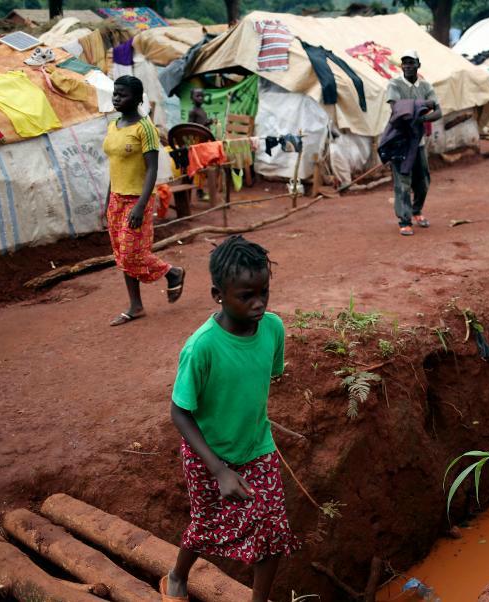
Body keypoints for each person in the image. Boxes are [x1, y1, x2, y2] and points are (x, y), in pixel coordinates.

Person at [163, 235, 300, 602]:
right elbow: (179, 411)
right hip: (208, 454)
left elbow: (267, 374)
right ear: (218, 294)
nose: (258, 304)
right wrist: (219, 469)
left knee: (272, 527)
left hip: (257, 446)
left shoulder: (273, 329)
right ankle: (177, 576)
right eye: (246, 296)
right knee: (206, 524)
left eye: (264, 293)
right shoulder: (202, 347)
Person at [103, 75, 185, 326]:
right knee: (121, 255)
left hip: (137, 199)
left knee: (131, 253)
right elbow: (115, 165)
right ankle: (135, 306)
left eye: (123, 94)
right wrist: (107, 200)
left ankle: (173, 272)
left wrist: (140, 204)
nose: (117, 98)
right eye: (115, 93)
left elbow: (152, 169)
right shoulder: (113, 125)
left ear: (138, 99)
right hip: (116, 197)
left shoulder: (145, 128)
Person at [386, 49, 441, 236]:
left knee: (423, 180)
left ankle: (417, 211)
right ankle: (404, 220)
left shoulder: (425, 86)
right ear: (401, 66)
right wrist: (422, 106)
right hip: (400, 140)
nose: (408, 66)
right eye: (405, 63)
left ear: (418, 65)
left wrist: (419, 119)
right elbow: (396, 109)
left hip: (418, 142)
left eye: (411, 62)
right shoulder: (394, 84)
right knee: (402, 181)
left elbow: (438, 112)